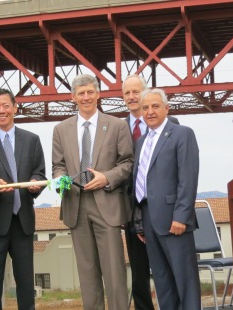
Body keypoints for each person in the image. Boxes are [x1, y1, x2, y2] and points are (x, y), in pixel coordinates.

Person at [52, 74, 133, 310]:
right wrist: (60, 180)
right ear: (73, 97)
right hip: (76, 206)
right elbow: (58, 166)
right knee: (87, 274)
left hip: (106, 203)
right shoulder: (60, 129)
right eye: (81, 93)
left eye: (90, 92)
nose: (86, 97)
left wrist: (107, 177)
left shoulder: (117, 125)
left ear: (98, 94)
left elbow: (127, 162)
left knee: (114, 273)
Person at [0, 89, 46, 310]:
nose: (1, 111)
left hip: (22, 222)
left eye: (6, 106)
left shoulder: (32, 140)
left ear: (15, 107)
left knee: (25, 283)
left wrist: (34, 183)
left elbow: (39, 172)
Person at [134, 88, 200, 310]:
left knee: (185, 281)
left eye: (155, 106)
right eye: (145, 108)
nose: (150, 112)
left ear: (166, 108)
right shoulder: (141, 142)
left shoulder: (182, 134)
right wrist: (140, 222)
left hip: (175, 221)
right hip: (150, 222)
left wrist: (181, 216)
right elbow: (140, 182)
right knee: (162, 283)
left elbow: (188, 178)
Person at [122, 74, 179, 310]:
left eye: (137, 91)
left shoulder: (172, 125)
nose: (132, 97)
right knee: (139, 272)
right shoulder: (117, 127)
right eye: (127, 93)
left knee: (168, 269)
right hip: (133, 211)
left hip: (164, 211)